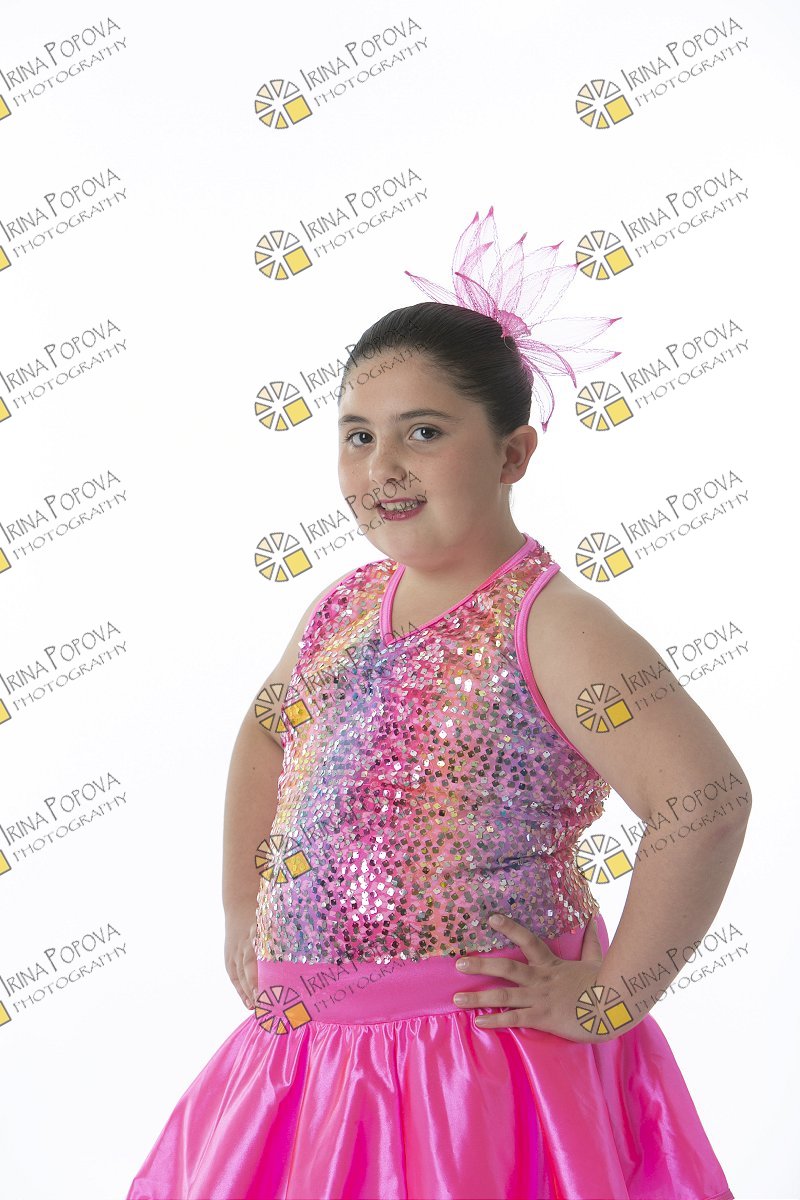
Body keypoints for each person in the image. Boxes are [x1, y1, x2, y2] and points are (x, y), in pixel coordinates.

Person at [126, 209, 747, 1199]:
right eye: (358, 437)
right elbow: (266, 734)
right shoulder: (339, 609)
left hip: (470, 1066)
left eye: (423, 433)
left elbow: (702, 801)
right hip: (312, 1057)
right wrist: (244, 904)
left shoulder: (551, 626)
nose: (382, 468)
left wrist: (610, 996)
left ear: (511, 455)